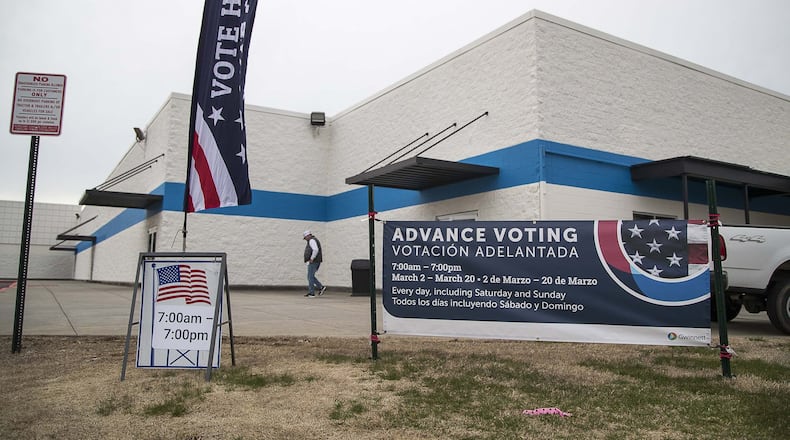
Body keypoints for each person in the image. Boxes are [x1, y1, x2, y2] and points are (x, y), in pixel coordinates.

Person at [302, 230, 326, 297]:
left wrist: (312, 258)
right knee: (311, 276)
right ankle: (321, 287)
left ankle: (311, 293)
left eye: (305, 237)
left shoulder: (312, 240)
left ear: (308, 236)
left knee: (310, 276)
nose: (305, 239)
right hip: (315, 261)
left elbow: (315, 250)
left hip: (314, 261)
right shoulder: (313, 240)